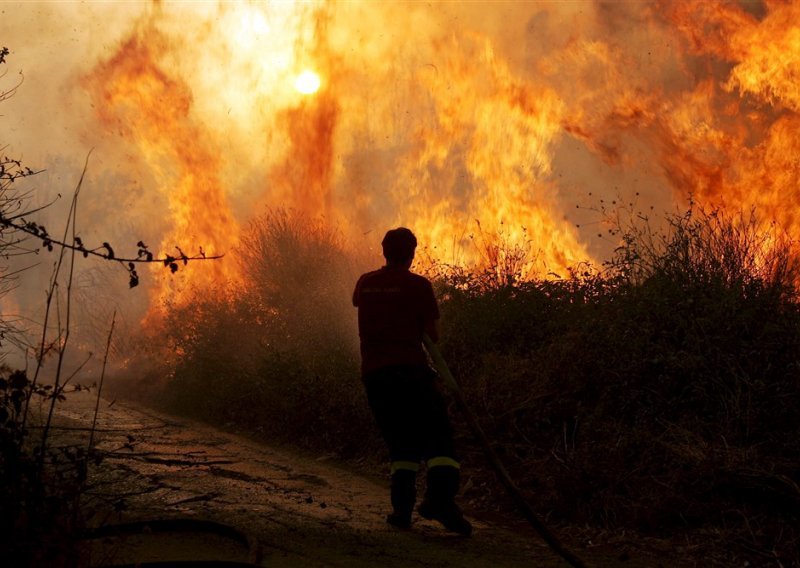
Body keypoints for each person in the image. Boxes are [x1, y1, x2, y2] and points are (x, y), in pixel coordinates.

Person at [352, 227, 472, 536]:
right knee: (439, 436)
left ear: (384, 252)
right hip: (409, 371)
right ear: (412, 253)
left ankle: (401, 510)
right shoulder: (418, 285)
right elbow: (432, 335)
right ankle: (441, 500)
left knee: (400, 441)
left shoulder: (365, 283)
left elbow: (364, 308)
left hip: (375, 376)